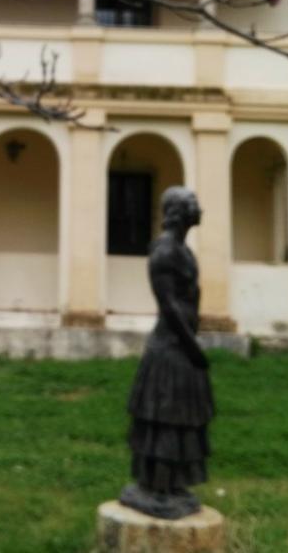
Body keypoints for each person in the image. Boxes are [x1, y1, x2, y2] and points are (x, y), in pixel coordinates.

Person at [120, 186, 215, 520]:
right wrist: (193, 346)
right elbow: (170, 307)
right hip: (171, 349)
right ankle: (154, 487)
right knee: (165, 419)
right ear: (179, 210)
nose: (200, 207)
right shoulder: (164, 252)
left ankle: (171, 486)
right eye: (194, 202)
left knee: (180, 420)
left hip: (181, 347)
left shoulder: (182, 251)